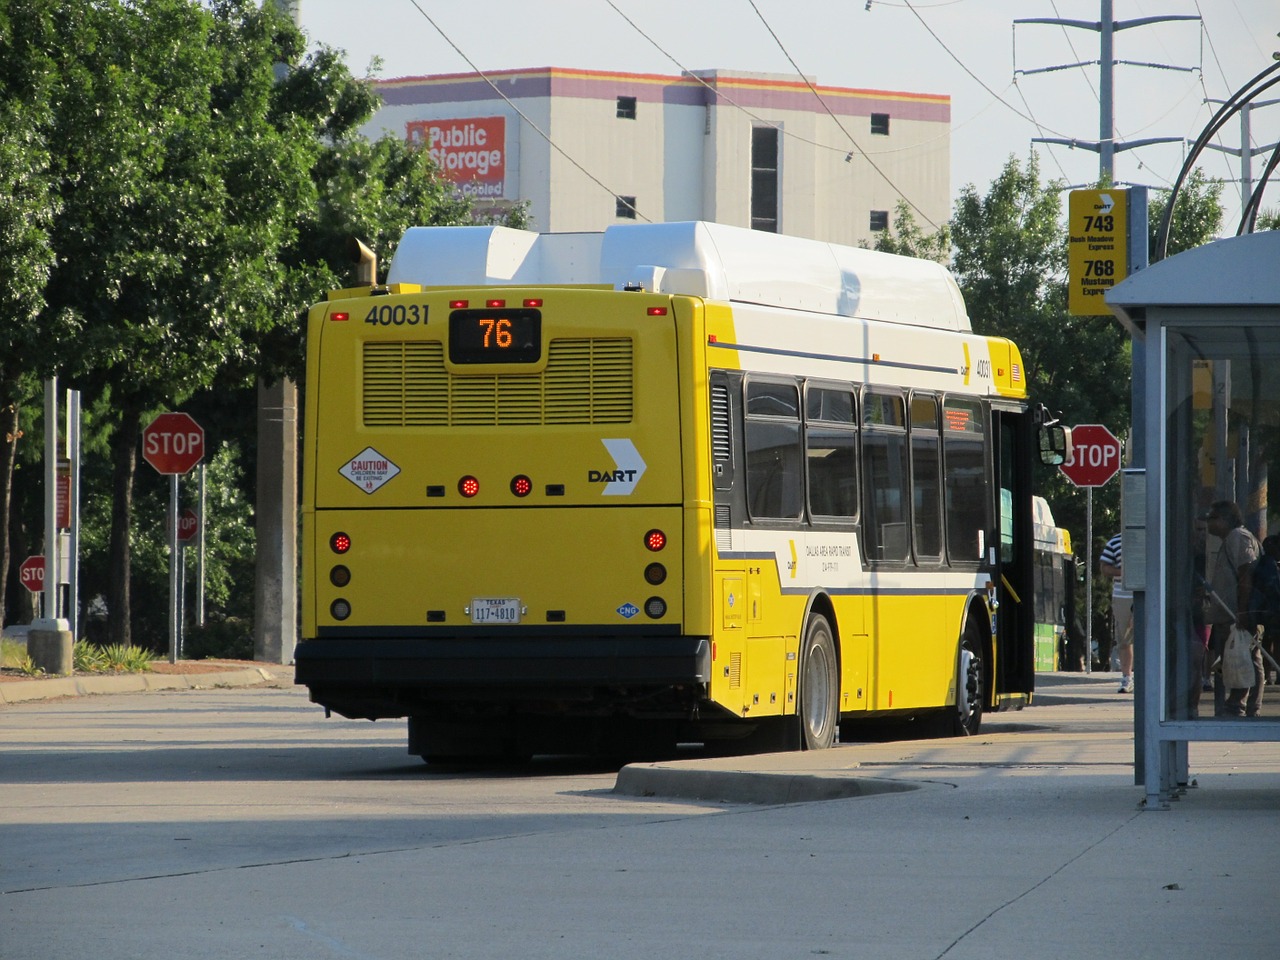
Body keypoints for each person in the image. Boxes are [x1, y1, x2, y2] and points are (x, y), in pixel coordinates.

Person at [1202, 500, 1264, 717]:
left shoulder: (1239, 537)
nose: (1208, 523)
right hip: (1227, 613)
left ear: (1224, 520)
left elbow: (1246, 573)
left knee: (1244, 657)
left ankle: (1242, 704)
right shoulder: (1229, 539)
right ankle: (1234, 703)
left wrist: (1243, 611)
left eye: (1212, 518)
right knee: (1230, 659)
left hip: (1236, 613)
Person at [1100, 532, 1134, 693]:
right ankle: (1127, 677)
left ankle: (1149, 677)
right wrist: (1124, 572)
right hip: (1123, 595)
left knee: (1149, 637)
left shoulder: (1154, 535)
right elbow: (1104, 567)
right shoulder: (1115, 540)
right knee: (1124, 638)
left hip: (1150, 593)